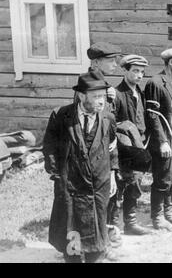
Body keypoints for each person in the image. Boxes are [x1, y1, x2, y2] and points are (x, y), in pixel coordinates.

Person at [42, 70, 119, 263]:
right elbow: (49, 146)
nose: (101, 101)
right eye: (96, 97)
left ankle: (96, 258)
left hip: (98, 184)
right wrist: (57, 174)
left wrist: (111, 175)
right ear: (82, 96)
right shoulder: (61, 115)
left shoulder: (108, 118)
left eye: (103, 96)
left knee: (97, 229)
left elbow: (112, 149)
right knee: (71, 229)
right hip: (71, 184)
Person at [145, 48, 172, 230]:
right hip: (162, 140)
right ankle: (157, 217)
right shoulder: (155, 83)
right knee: (162, 178)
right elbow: (153, 116)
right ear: (171, 63)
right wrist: (163, 141)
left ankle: (169, 213)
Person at [107, 54, 152, 236]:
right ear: (125, 71)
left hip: (140, 143)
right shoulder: (116, 94)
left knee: (136, 182)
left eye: (142, 72)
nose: (139, 75)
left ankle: (131, 222)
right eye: (135, 71)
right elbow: (112, 122)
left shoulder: (140, 93)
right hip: (124, 146)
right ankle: (114, 225)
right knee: (121, 183)